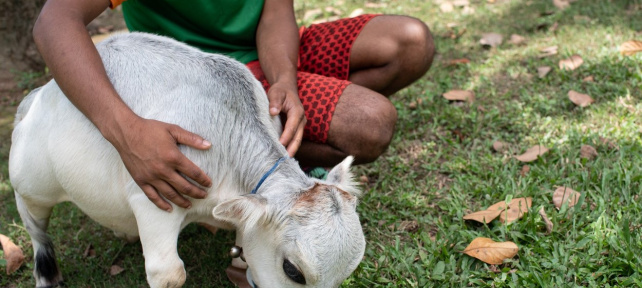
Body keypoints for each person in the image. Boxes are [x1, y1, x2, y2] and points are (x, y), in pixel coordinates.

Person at [33, 0, 435, 212]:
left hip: (269, 54)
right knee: (370, 121)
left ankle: (268, 148)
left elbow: (275, 13)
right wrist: (127, 132)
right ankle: (253, 162)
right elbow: (55, 22)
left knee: (410, 41)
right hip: (203, 80)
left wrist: (285, 81)